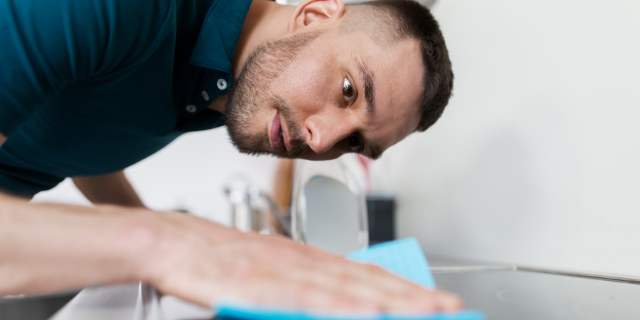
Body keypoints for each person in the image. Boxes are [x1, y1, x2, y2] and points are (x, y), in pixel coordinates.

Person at [0, 0, 458, 313]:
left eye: (356, 142)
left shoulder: (226, 87)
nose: (322, 142)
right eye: (348, 90)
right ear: (314, 13)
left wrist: (165, 250)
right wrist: (161, 243)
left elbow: (90, 126)